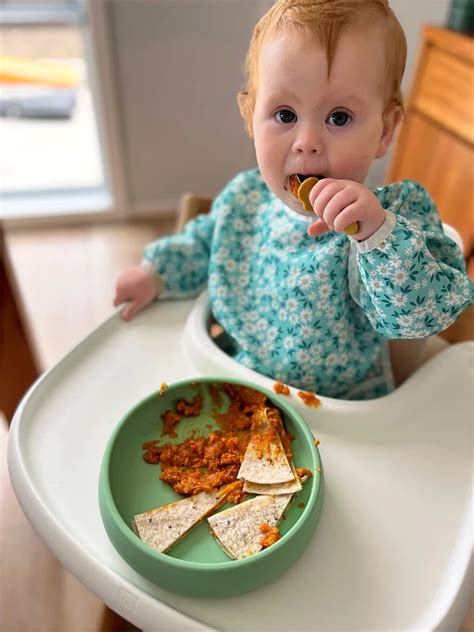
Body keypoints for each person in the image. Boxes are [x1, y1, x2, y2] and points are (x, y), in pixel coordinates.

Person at [114, 0, 473, 400]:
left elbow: (424, 315)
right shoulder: (245, 200)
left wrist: (376, 234)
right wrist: (156, 274)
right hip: (240, 382)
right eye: (284, 115)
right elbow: (201, 247)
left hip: (343, 407)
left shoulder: (395, 218)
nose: (307, 144)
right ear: (252, 116)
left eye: (339, 117)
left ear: (384, 131)